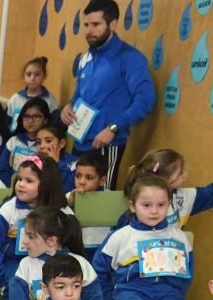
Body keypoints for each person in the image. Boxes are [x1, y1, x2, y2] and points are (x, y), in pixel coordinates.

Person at [60, 0, 156, 188]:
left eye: (96, 25)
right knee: (74, 199)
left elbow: (146, 99)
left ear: (112, 24)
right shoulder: (85, 57)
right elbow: (79, 94)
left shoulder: (130, 58)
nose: (89, 30)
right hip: (79, 142)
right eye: (86, 25)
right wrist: (69, 106)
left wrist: (114, 128)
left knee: (99, 206)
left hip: (106, 146)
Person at [92, 174, 191, 300]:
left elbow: (188, 270)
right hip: (131, 293)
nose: (154, 211)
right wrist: (110, 298)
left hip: (168, 296)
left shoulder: (179, 237)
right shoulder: (121, 236)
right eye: (146, 205)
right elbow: (99, 269)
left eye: (161, 205)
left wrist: (176, 292)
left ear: (169, 204)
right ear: (132, 206)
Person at [0, 154, 64, 293]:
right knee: (16, 287)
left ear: (46, 184)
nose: (20, 184)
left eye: (29, 180)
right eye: (19, 179)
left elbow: (67, 242)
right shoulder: (8, 209)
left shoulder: (59, 211)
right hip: (14, 262)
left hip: (50, 261)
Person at [6, 206, 104, 300]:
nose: (24, 241)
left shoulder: (81, 264)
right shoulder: (26, 265)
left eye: (30, 236)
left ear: (51, 241)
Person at [5, 57, 60, 128]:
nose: (32, 78)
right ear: (24, 78)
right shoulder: (16, 98)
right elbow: (6, 123)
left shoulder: (50, 99)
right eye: (28, 74)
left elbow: (56, 125)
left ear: (44, 77)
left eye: (37, 75)